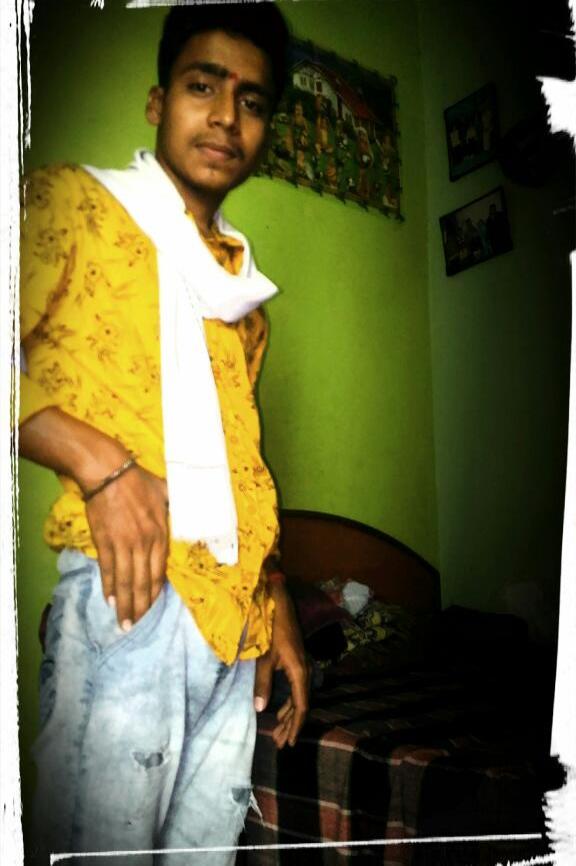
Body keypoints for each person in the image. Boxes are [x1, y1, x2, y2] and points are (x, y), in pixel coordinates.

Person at [19, 4, 308, 863]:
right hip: (131, 600)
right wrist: (101, 464)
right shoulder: (71, 203)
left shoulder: (244, 302)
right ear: (158, 102)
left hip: (235, 633)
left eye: (252, 101)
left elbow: (243, 465)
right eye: (202, 86)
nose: (226, 117)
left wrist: (276, 601)